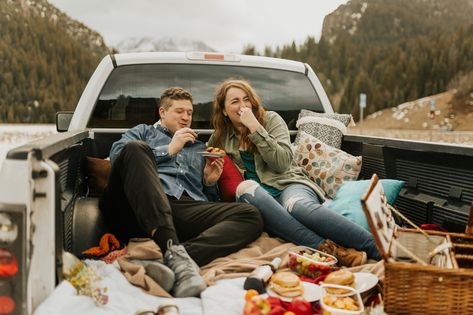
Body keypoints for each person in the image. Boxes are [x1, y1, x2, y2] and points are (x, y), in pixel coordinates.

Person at [99, 87, 263, 298]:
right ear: (162, 112)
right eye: (179, 111)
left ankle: (172, 258)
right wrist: (168, 150)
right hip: (136, 207)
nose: (186, 117)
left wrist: (209, 181)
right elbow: (116, 157)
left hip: (180, 211)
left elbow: (207, 201)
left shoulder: (198, 147)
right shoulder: (143, 132)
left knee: (250, 215)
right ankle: (174, 252)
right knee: (135, 148)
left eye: (190, 112)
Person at [208, 79, 381, 266]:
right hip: (259, 199)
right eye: (235, 102)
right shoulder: (218, 138)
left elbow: (282, 163)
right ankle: (333, 251)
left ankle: (377, 247)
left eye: (246, 99)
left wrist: (255, 128)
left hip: (288, 184)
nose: (243, 106)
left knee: (298, 206)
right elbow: (213, 181)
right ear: (224, 110)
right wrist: (209, 180)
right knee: (246, 187)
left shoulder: (270, 120)